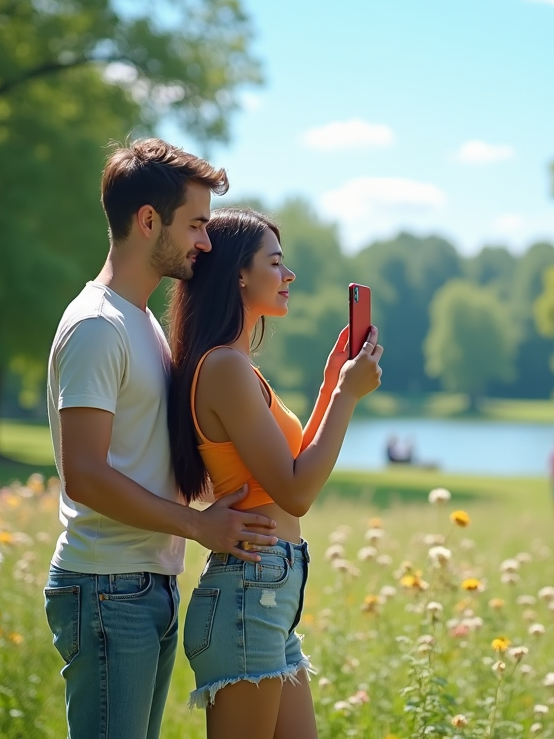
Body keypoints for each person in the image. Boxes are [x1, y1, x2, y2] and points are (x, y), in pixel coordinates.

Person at [43, 140, 279, 739]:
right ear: (149, 221)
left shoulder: (140, 320)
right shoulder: (99, 326)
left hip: (146, 583)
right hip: (107, 590)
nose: (205, 241)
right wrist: (197, 525)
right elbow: (87, 475)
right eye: (196, 224)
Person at [167, 207, 383, 739]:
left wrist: (334, 381)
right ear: (240, 273)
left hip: (268, 591)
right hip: (250, 592)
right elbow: (295, 491)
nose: (288, 277)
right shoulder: (224, 367)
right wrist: (346, 397)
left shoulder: (238, 368)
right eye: (276, 263)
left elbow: (289, 468)